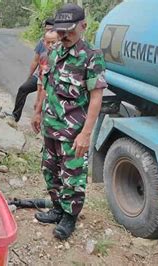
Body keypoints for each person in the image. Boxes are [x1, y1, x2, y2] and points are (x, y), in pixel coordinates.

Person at [32, 3, 107, 240]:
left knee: (72, 176)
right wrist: (37, 111)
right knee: (50, 170)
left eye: (69, 31)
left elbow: (96, 98)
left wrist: (86, 134)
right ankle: (57, 208)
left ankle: (70, 216)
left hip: (73, 132)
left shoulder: (91, 58)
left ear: (83, 26)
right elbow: (46, 84)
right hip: (51, 127)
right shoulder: (54, 53)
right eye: (60, 31)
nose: (63, 36)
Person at [7, 18, 54, 122]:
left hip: (52, 80)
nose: (48, 31)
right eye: (46, 29)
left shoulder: (60, 44)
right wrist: (30, 76)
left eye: (51, 29)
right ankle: (15, 116)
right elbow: (35, 61)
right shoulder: (42, 42)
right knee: (23, 89)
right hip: (40, 76)